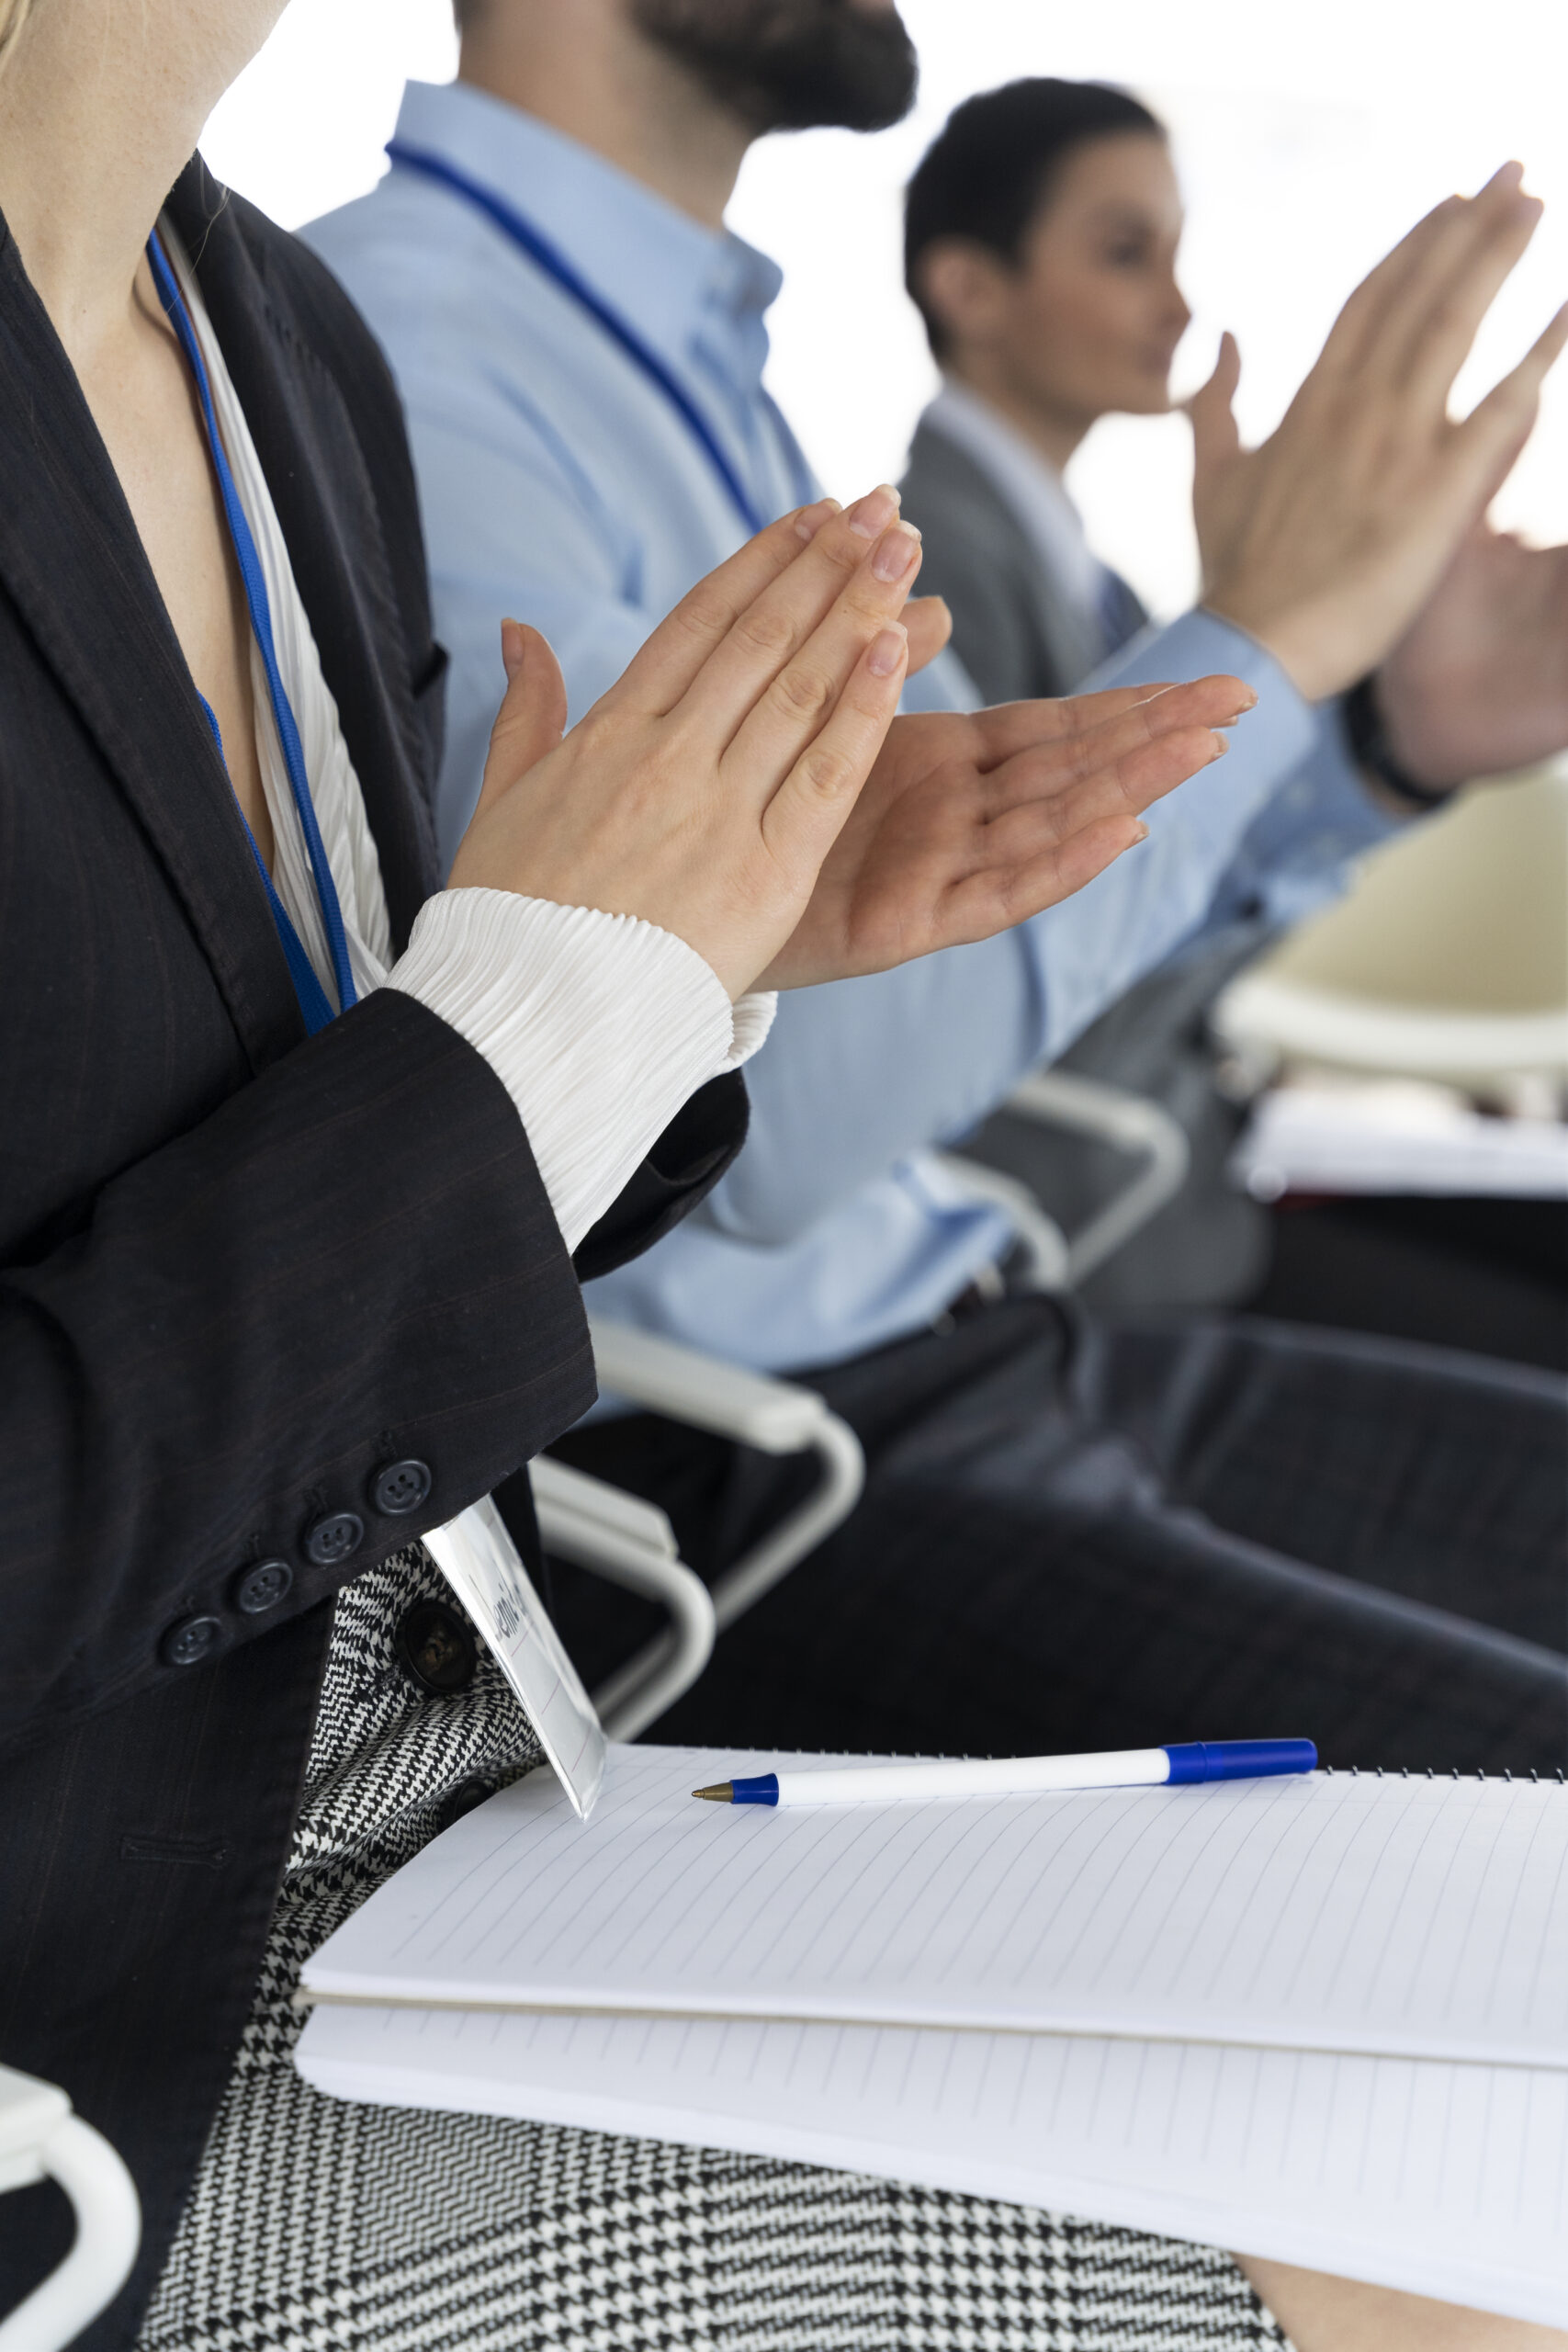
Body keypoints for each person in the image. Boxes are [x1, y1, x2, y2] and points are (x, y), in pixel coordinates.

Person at [0, 1, 1247, 2344]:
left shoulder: (276, 347)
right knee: (1423, 2245)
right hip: (99, 2054)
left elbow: (327, 1183)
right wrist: (538, 1029)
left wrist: (672, 978)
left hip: (450, 1798)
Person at [309, 0, 1568, 1746]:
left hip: (987, 1334)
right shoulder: (412, 364)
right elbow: (785, 1124)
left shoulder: (677, 360)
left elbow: (999, 902)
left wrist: (1376, 742)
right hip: (775, 1459)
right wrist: (1272, 636)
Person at [897, 74, 1568, 1340]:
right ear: (970, 288)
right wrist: (1278, 641)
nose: (1178, 301)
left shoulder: (1084, 578)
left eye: (1177, 251)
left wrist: (1379, 740)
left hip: (1185, 1174)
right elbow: (1024, 982)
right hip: (1092, 1238)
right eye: (1123, 251)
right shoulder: (930, 578)